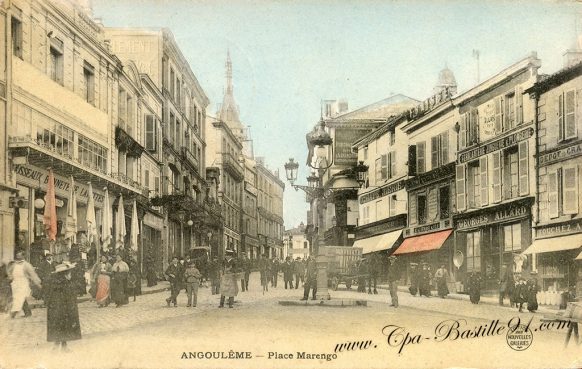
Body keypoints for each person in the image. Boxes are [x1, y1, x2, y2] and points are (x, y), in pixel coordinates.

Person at [46, 261, 81, 352]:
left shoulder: (55, 282)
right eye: (69, 272)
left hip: (55, 309)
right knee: (63, 326)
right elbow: (69, 297)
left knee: (59, 327)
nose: (70, 274)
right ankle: (59, 347)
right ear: (65, 273)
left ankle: (61, 346)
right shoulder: (65, 284)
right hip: (63, 309)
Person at [7, 251, 41, 318]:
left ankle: (13, 313)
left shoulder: (27, 265)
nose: (18, 257)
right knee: (19, 298)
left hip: (23, 283)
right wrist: (10, 278)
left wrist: (38, 283)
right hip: (15, 283)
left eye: (19, 255)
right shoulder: (14, 264)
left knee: (19, 297)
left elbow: (33, 274)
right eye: (17, 255)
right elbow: (10, 272)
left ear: (23, 256)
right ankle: (27, 312)